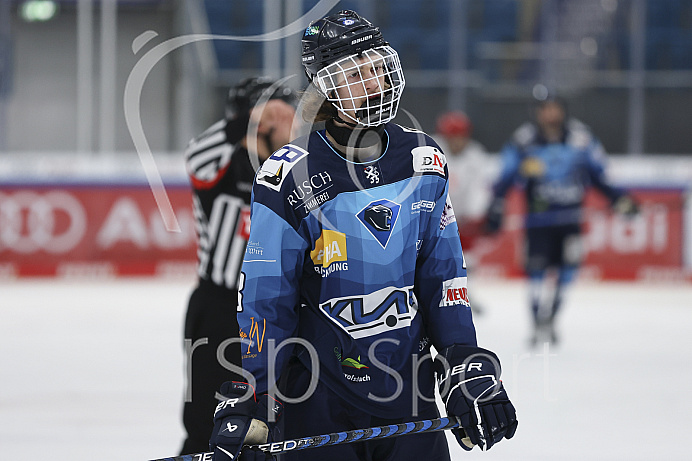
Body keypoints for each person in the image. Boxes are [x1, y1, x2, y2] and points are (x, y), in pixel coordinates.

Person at [208, 10, 517, 461]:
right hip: (315, 397)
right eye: (356, 74)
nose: (373, 82)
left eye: (376, 68)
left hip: (407, 393)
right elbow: (266, 299)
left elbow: (443, 276)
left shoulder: (423, 157)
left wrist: (463, 362)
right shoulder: (287, 175)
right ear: (326, 89)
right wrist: (255, 396)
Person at [180, 77, 296, 455]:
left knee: (276, 419)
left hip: (276, 311)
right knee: (209, 420)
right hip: (221, 310)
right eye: (283, 115)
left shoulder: (291, 174)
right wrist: (250, 120)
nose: (295, 126)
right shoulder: (221, 166)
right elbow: (197, 153)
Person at [484, 94, 638, 347]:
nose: (550, 114)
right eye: (545, 109)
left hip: (570, 220)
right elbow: (505, 177)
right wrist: (496, 204)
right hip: (538, 221)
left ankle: (552, 318)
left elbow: (599, 176)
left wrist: (621, 200)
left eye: (554, 108)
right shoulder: (524, 140)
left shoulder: (581, 138)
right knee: (535, 271)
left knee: (567, 272)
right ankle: (535, 322)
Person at [434, 111, 494, 313]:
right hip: (435, 216)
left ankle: (465, 294)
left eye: (461, 136)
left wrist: (476, 213)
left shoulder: (476, 156)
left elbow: (481, 188)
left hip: (464, 218)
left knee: (468, 259)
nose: (457, 141)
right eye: (453, 137)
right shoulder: (433, 151)